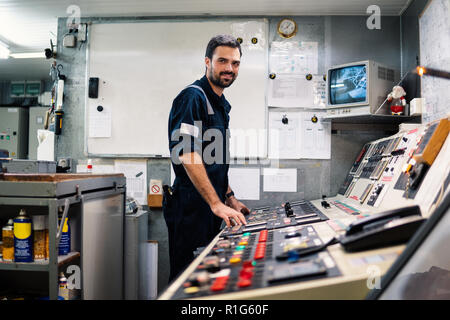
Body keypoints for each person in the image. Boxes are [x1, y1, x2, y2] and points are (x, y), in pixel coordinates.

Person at [164, 34, 249, 281]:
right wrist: (215, 203)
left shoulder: (221, 104)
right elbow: (187, 153)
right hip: (191, 206)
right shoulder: (193, 97)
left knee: (205, 279)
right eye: (222, 61)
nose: (229, 69)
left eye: (235, 63)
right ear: (207, 62)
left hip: (210, 205)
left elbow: (214, 160)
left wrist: (229, 198)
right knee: (187, 279)